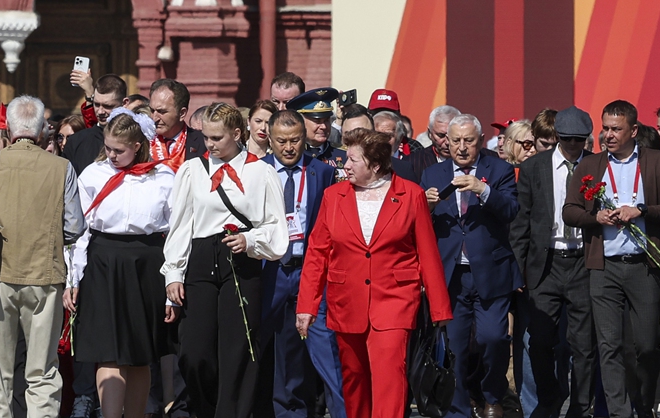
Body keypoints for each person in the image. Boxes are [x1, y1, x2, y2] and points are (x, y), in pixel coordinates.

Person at [297, 128, 451, 418]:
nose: (345, 165)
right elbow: (317, 253)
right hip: (347, 302)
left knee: (390, 377)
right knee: (354, 381)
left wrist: (440, 312)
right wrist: (306, 306)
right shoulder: (334, 196)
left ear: (376, 165)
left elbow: (428, 255)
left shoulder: (410, 195)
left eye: (353, 160)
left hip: (394, 301)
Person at [561, 99, 660, 418]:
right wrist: (595, 216)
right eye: (604, 129)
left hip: (644, 267)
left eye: (616, 129)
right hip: (604, 269)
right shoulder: (590, 166)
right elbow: (569, 211)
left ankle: (644, 405)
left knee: (646, 344)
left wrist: (641, 210)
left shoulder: (657, 162)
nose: (607, 135)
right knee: (609, 345)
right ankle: (619, 413)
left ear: (634, 131)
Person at [0, 96, 81, 418]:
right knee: (42, 372)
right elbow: (74, 227)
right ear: (43, 131)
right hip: (44, 277)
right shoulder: (61, 167)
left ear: (11, 129)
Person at [163, 104, 279, 418]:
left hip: (241, 262)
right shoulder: (192, 169)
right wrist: (173, 273)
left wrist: (250, 239)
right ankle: (205, 409)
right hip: (200, 258)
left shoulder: (260, 171)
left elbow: (275, 228)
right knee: (194, 352)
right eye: (205, 137)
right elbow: (180, 224)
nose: (209, 145)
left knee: (238, 351)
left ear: (237, 134)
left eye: (216, 138)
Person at [67, 112, 171, 418]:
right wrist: (73, 278)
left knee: (140, 354)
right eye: (108, 148)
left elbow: (176, 229)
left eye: (118, 150)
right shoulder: (93, 175)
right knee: (107, 352)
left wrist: (171, 281)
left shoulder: (163, 178)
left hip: (146, 263)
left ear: (137, 146)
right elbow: (79, 230)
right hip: (102, 262)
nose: (111, 155)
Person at [422, 112, 519, 418]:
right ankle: (458, 407)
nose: (462, 147)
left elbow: (511, 210)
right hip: (451, 275)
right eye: (455, 141)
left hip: (491, 272)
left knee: (493, 338)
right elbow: (417, 224)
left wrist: (482, 189)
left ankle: (492, 394)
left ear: (480, 141)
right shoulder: (432, 175)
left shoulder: (499, 169)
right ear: (444, 143)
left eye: (468, 141)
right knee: (456, 347)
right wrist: (424, 206)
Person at [508, 104, 596, 418]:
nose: (573, 145)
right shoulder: (535, 167)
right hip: (545, 265)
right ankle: (548, 400)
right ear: (557, 136)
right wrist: (519, 272)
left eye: (579, 140)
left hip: (583, 264)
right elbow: (521, 223)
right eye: (568, 139)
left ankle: (580, 406)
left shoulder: (596, 166)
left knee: (583, 345)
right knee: (541, 341)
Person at [261, 108, 343, 418]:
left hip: (308, 270)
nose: (289, 147)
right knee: (275, 348)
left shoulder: (321, 171)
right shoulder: (258, 170)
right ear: (270, 140)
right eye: (281, 141)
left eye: (295, 140)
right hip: (272, 270)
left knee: (311, 348)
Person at [60, 75, 130, 174]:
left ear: (125, 103)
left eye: (107, 106)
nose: (100, 111)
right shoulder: (76, 141)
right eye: (96, 104)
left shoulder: (137, 138)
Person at [145, 81, 205, 171]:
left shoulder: (204, 143)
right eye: (152, 111)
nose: (154, 118)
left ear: (182, 113)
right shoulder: (142, 141)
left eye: (162, 112)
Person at [288, 89, 342, 164]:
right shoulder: (290, 154)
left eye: (326, 120)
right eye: (317, 121)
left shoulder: (342, 153)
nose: (323, 126)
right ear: (301, 123)